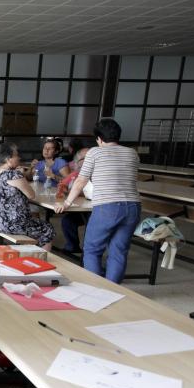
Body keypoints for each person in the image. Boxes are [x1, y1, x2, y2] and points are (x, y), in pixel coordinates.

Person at [55, 119, 141, 283]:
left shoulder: (95, 152)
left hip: (107, 207)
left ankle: (95, 288)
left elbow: (81, 181)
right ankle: (113, 289)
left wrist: (67, 204)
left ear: (99, 139)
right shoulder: (132, 153)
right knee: (119, 250)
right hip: (133, 207)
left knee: (92, 249)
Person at [0, 143, 55, 251]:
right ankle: (40, 261)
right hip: (11, 224)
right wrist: (21, 175)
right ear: (8, 159)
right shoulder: (13, 175)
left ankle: (29, 252)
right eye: (16, 155)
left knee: (35, 220)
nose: (19, 158)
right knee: (47, 228)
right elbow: (31, 195)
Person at [58, 148, 89, 254]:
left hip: (95, 209)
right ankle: (72, 246)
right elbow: (62, 185)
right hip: (80, 208)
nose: (86, 161)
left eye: (88, 158)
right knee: (67, 221)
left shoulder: (98, 174)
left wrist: (75, 193)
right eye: (83, 158)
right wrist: (64, 189)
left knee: (91, 225)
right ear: (76, 162)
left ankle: (87, 254)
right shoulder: (75, 174)